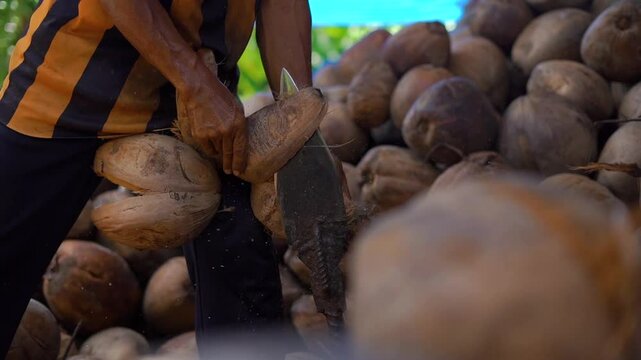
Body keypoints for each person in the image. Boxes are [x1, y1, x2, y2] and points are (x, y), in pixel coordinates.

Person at [0, 0, 313, 357]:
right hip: (75, 81)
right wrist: (195, 84)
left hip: (203, 99)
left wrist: (302, 125)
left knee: (241, 267)